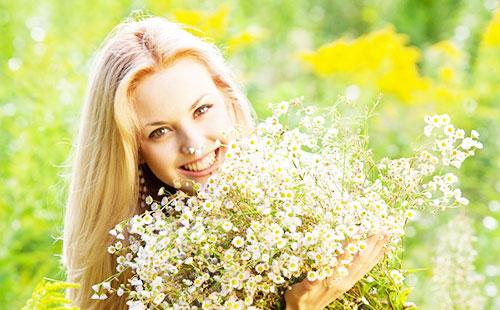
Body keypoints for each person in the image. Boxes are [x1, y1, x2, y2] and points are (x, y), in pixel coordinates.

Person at [63, 16, 388, 309]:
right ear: (132, 151)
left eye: (202, 110)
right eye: (160, 131)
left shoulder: (307, 207)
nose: (193, 145)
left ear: (226, 97)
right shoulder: (139, 274)